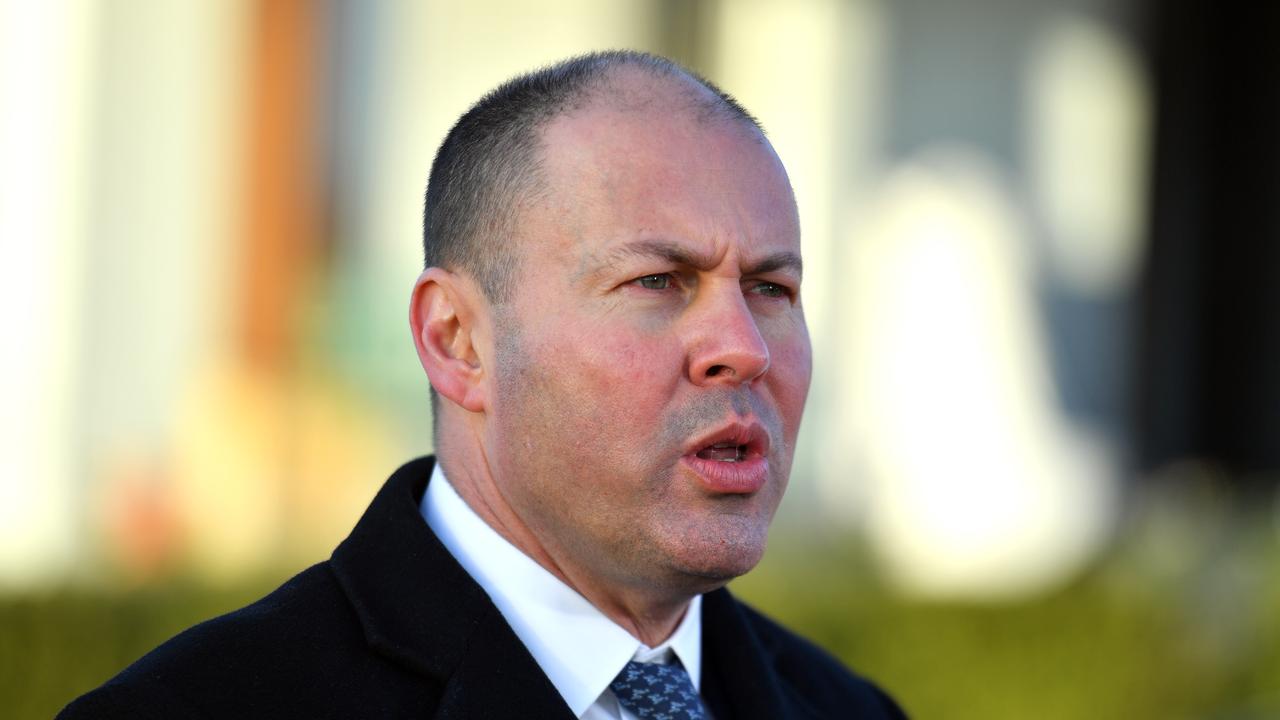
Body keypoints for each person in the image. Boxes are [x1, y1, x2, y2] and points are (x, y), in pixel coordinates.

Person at [59, 50, 905, 719]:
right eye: (658, 280)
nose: (744, 348)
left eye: (772, 289)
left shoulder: (848, 709)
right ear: (457, 341)